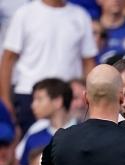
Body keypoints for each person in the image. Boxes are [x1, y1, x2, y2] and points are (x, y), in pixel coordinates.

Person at [0, 0, 97, 135]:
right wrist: (5, 100)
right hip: (29, 95)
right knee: (32, 144)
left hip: (68, 96)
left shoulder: (81, 16)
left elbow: (88, 62)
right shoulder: (24, 13)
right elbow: (8, 59)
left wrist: (91, 98)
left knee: (69, 144)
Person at [18, 79, 75, 165]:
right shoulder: (34, 138)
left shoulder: (84, 135)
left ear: (58, 101)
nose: (33, 105)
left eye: (39, 99)